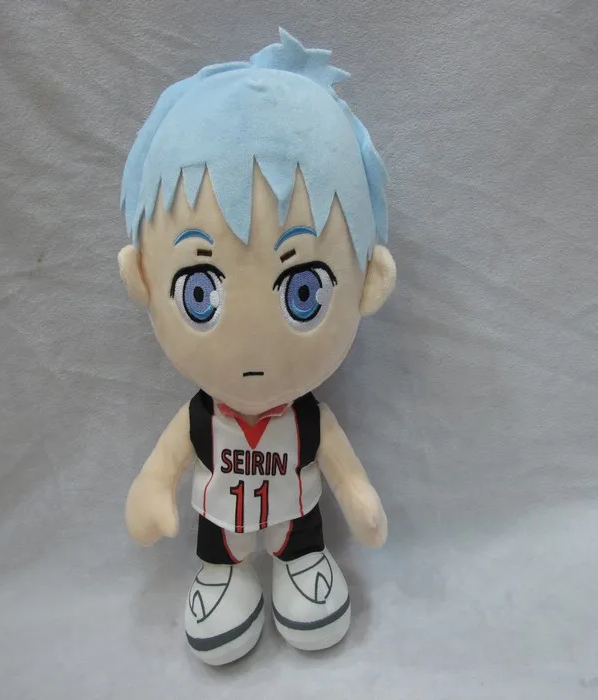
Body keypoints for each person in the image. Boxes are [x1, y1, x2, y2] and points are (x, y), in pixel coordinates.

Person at [118, 28, 396, 665]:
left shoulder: (307, 419)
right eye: (199, 292)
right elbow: (165, 465)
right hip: (222, 532)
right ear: (142, 279)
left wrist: (361, 502)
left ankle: (301, 566)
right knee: (220, 554)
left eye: (304, 292)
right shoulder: (202, 418)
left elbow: (342, 468)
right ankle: (227, 576)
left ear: (369, 283)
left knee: (302, 546)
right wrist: (152, 489)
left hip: (298, 524)